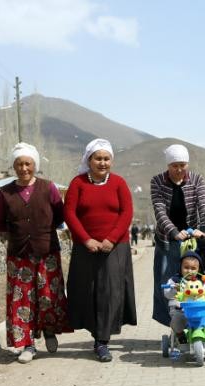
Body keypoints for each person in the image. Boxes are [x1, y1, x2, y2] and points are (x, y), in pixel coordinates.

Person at [0, 142, 71, 364]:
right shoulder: (5, 193)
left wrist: (40, 230)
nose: (23, 168)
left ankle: (49, 331)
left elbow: (60, 216)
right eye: (19, 164)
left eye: (28, 163)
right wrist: (20, 231)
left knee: (48, 295)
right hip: (19, 256)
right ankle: (28, 345)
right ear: (13, 166)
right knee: (22, 300)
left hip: (47, 252)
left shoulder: (48, 188)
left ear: (34, 164)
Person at [64, 138, 137, 362]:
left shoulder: (118, 183)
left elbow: (127, 213)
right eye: (98, 158)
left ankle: (102, 341)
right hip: (86, 247)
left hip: (115, 247)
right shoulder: (77, 184)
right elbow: (70, 214)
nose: (102, 163)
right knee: (87, 291)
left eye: (106, 158)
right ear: (89, 160)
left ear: (111, 161)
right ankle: (95, 333)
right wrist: (86, 240)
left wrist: (111, 239)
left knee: (109, 292)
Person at [150, 144, 205, 327]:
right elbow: (160, 211)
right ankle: (172, 325)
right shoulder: (157, 181)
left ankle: (196, 320)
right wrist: (175, 233)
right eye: (174, 166)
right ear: (168, 165)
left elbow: (203, 206)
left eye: (182, 165)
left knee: (194, 281)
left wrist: (203, 228)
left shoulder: (196, 180)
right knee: (167, 283)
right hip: (168, 240)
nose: (179, 170)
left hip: (191, 241)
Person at [163, 251, 205, 352]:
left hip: (201, 312)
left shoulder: (202, 281)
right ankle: (181, 337)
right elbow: (167, 293)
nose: (189, 271)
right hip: (182, 312)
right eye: (186, 267)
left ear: (199, 269)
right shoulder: (175, 281)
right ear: (180, 267)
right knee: (175, 321)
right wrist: (174, 289)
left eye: (193, 268)